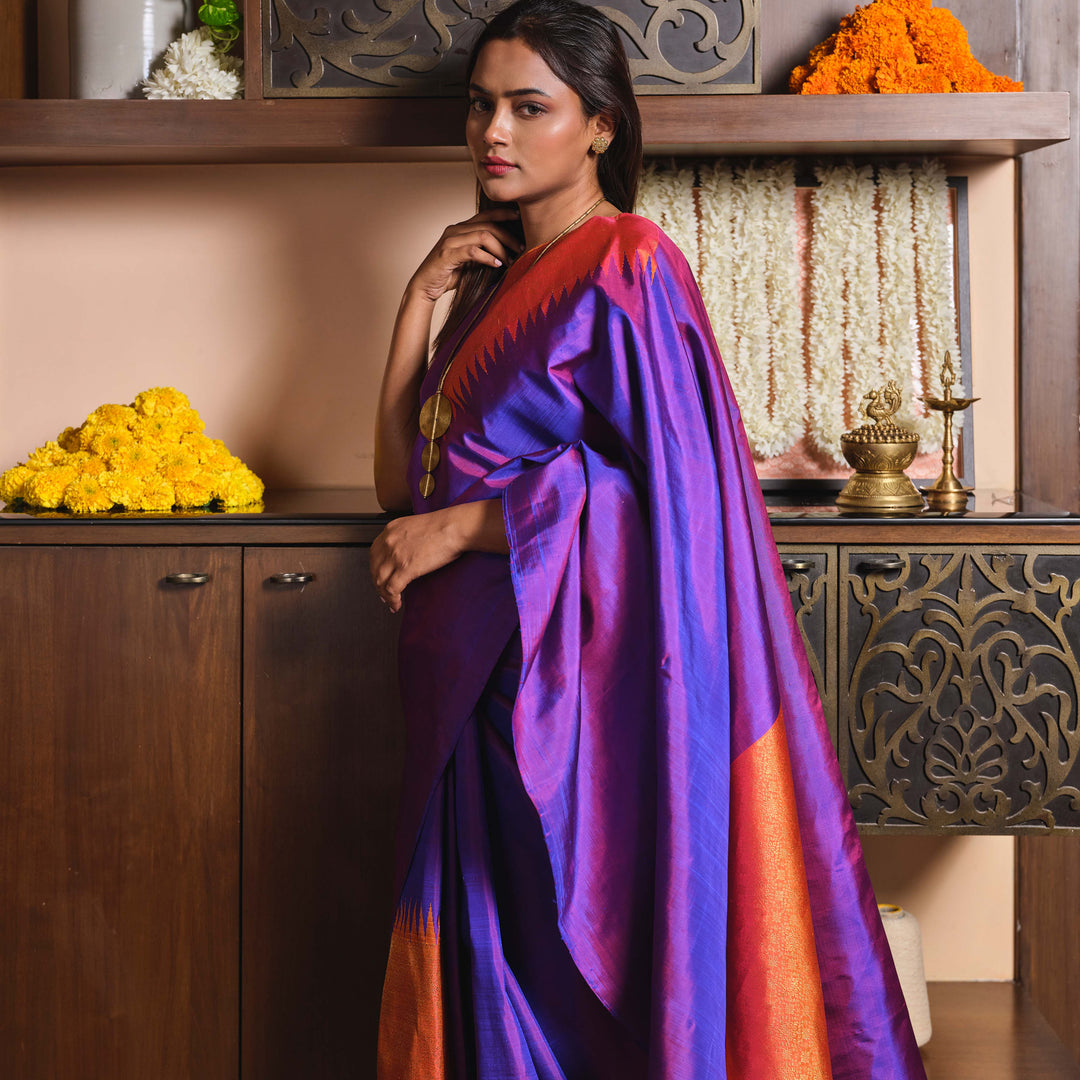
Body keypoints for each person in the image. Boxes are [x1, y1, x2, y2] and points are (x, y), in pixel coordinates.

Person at [370, 1, 927, 1076]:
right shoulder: (488, 280)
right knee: (485, 958)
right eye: (481, 105)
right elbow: (403, 482)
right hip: (466, 685)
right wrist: (417, 304)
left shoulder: (628, 263)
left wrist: (463, 529)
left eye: (529, 107)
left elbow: (677, 499)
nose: (493, 131)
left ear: (601, 126)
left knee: (558, 962)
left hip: (559, 694)